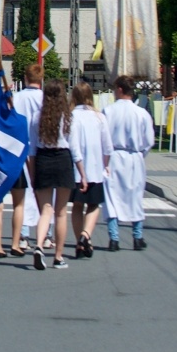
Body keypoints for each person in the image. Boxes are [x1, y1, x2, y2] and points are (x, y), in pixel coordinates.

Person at [27, 78, 76, 271]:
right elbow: (75, 148)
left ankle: (39, 245)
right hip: (63, 159)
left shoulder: (37, 116)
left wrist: (32, 173)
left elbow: (31, 148)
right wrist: (81, 171)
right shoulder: (68, 116)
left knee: (46, 210)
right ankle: (58, 256)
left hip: (43, 159)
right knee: (61, 212)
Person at [0, 60, 45, 258]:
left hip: (18, 148)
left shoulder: (16, 98)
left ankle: (23, 234)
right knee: (42, 194)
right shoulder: (45, 99)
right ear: (41, 79)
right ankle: (45, 234)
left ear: (25, 78)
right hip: (41, 148)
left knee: (23, 195)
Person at [103, 75, 154, 251]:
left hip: (114, 156)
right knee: (135, 197)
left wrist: (105, 161)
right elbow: (149, 141)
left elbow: (104, 138)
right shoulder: (142, 114)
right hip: (134, 157)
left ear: (119, 89)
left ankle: (114, 239)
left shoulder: (108, 111)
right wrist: (140, 155)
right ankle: (137, 237)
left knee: (111, 198)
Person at [68, 80, 112, 259]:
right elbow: (108, 146)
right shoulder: (99, 117)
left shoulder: (71, 116)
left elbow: (71, 144)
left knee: (77, 206)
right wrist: (106, 164)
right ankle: (86, 235)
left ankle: (80, 239)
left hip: (76, 169)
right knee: (94, 205)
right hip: (94, 169)